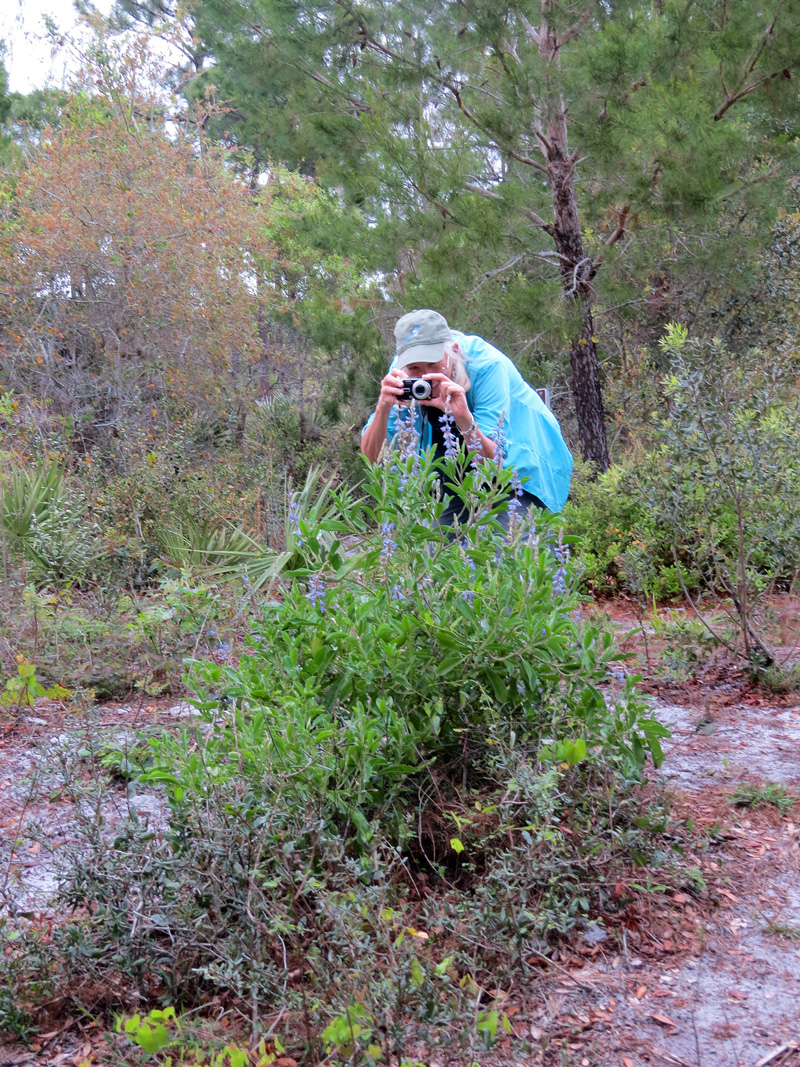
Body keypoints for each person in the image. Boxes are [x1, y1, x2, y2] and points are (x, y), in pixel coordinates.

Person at [361, 309, 573, 526]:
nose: (425, 376)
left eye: (433, 365)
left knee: (510, 548)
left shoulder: (488, 366)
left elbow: (493, 465)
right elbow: (373, 459)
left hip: (520, 467)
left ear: (454, 351)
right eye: (415, 367)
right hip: (455, 474)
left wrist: (462, 417)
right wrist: (383, 407)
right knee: (441, 551)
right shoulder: (402, 375)